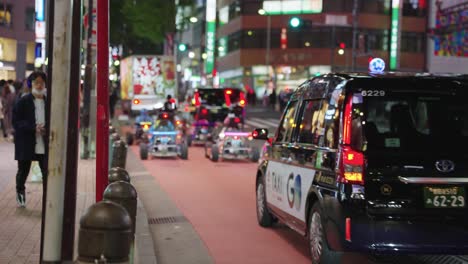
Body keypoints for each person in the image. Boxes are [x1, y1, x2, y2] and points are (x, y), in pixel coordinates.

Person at [12, 71, 48, 207]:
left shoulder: (48, 102)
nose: (39, 85)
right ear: (31, 84)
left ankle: (47, 199)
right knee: (23, 172)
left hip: (43, 143)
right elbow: (16, 122)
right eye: (36, 82)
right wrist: (33, 127)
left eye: (41, 83)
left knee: (46, 172)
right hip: (26, 143)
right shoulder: (23, 101)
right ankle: (20, 196)